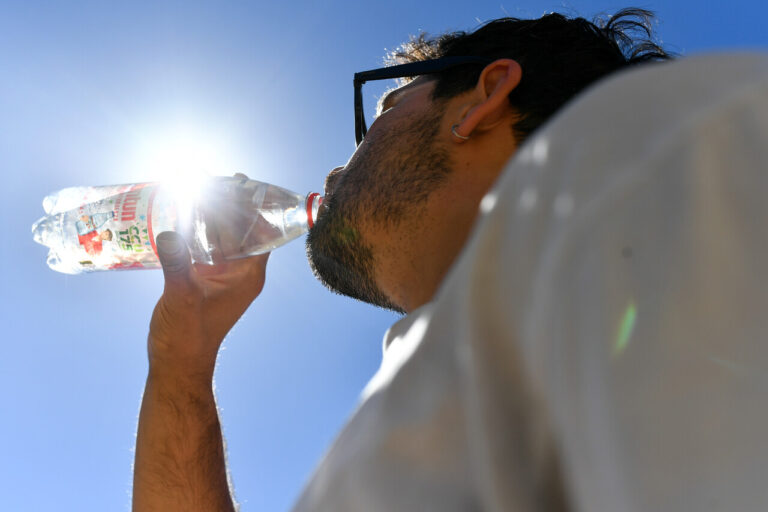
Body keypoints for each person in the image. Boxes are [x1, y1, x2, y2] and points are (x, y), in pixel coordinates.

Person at [132, 7, 768, 512]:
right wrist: (182, 365)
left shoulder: (684, 158)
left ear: (483, 98)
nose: (337, 165)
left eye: (383, 108)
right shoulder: (435, 387)